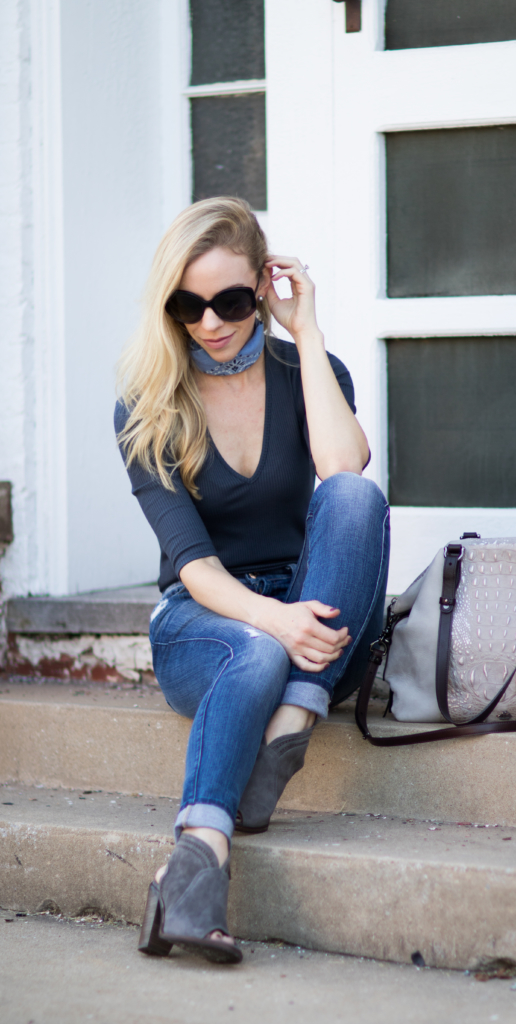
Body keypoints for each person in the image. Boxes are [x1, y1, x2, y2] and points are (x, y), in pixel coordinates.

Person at [115, 197, 389, 963]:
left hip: (318, 615)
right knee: (258, 650)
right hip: (206, 621)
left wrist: (304, 334)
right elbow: (195, 566)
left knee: (354, 498)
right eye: (188, 305)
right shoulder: (147, 407)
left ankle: (290, 728)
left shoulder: (307, 370)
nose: (209, 323)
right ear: (168, 306)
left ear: (263, 289)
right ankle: (198, 861)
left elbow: (344, 470)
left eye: (231, 301)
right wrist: (273, 622)